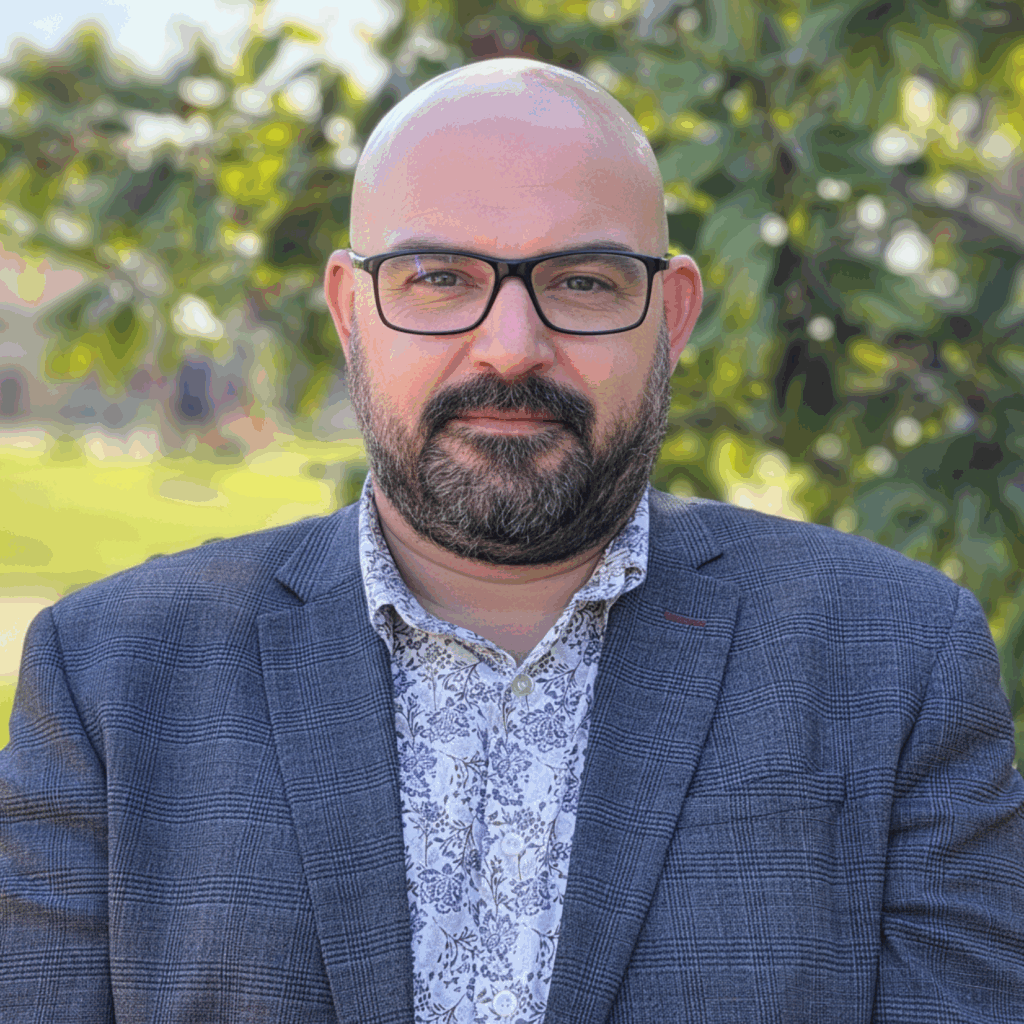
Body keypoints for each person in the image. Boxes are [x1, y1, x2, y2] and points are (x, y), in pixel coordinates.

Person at [1, 57, 1022, 1024]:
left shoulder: (895, 659)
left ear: (670, 317)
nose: (510, 346)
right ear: (350, 310)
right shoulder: (110, 679)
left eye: (582, 281)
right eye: (438, 276)